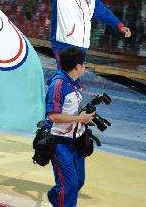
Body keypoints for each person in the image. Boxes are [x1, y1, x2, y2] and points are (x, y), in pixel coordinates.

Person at [45, 47, 96, 207]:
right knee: (69, 185)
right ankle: (60, 199)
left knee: (78, 181)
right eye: (84, 64)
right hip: (60, 142)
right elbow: (52, 116)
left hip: (75, 140)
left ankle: (56, 197)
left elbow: (70, 108)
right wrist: (79, 118)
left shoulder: (74, 83)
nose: (85, 67)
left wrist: (83, 115)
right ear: (77, 67)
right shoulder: (59, 84)